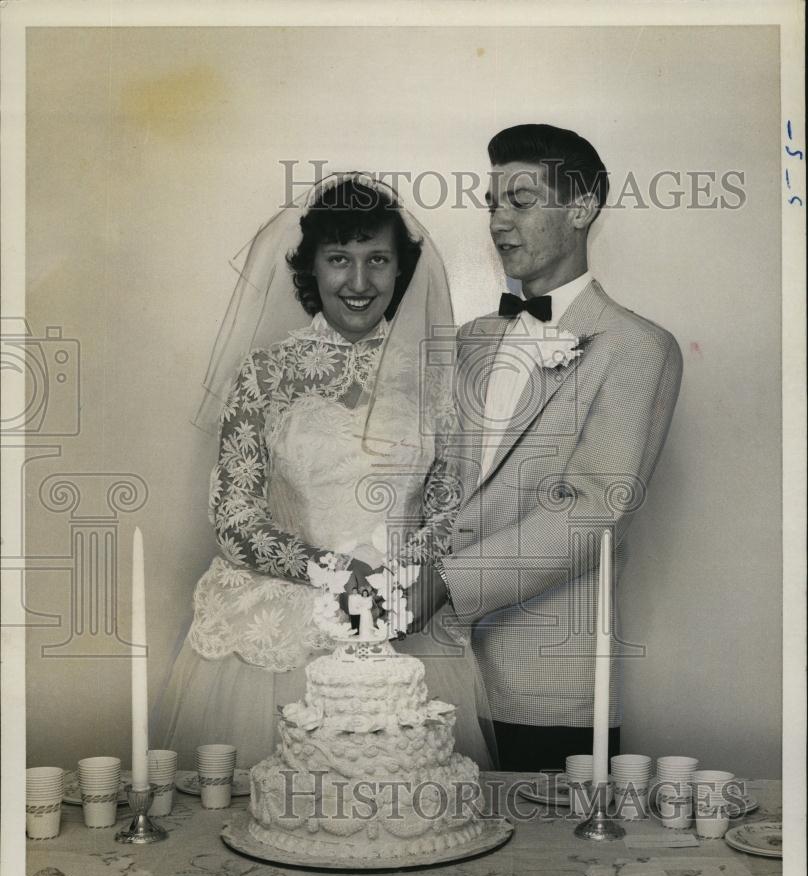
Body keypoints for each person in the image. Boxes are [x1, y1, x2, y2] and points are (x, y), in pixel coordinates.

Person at [152, 174, 496, 770]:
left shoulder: (438, 380)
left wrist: (397, 580)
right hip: (279, 629)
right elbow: (234, 519)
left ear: (400, 268)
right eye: (339, 259)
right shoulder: (264, 374)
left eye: (377, 260)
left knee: (410, 817)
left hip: (404, 617)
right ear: (310, 267)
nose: (359, 283)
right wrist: (334, 570)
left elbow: (451, 509)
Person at [407, 124, 683, 770]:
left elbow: (593, 510)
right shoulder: (469, 340)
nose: (500, 222)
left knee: (543, 870)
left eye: (521, 202)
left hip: (546, 684)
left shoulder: (638, 348)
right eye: (492, 203)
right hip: (432, 671)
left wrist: (444, 582)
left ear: (581, 208)